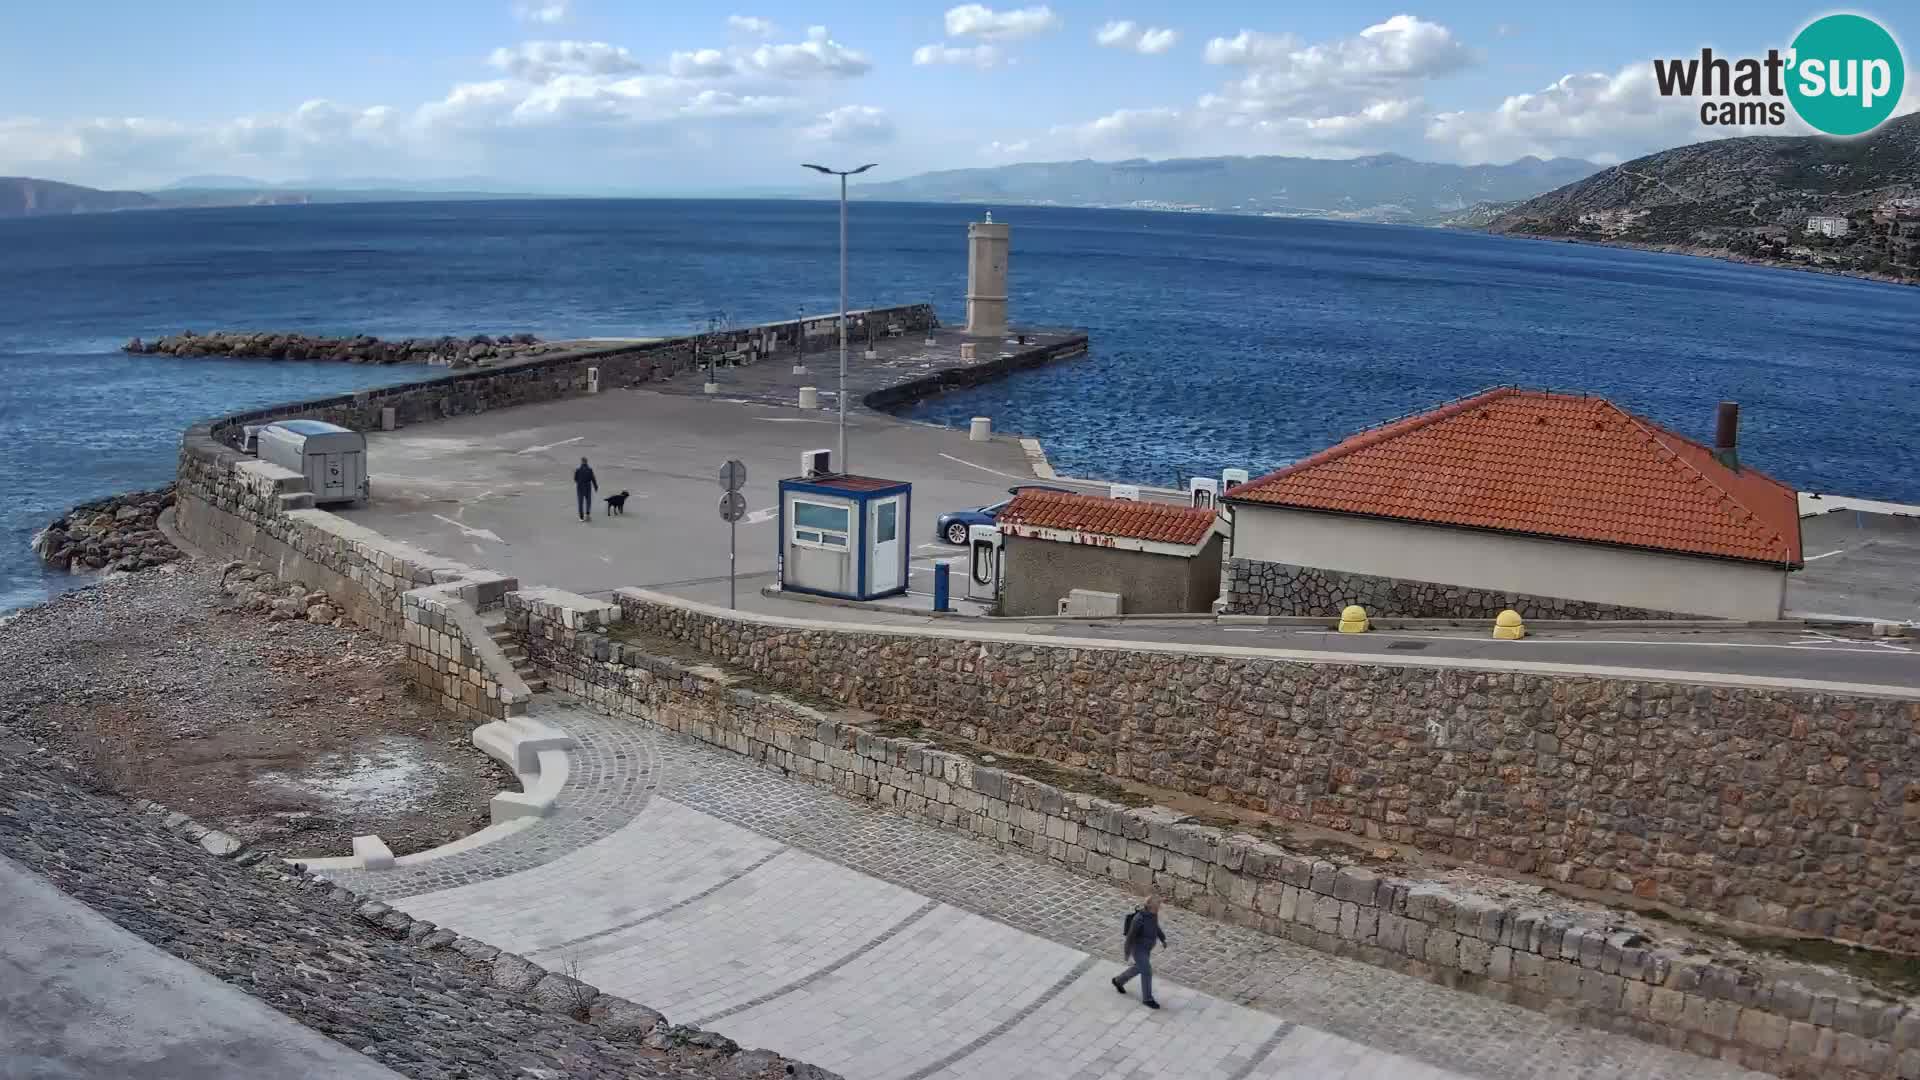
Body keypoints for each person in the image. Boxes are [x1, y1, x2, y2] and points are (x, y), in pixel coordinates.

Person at [1112, 894, 1167, 1008]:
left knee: (1139, 968)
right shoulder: (1139, 919)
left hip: (1147, 948)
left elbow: (1155, 926)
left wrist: (1162, 938)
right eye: (1158, 904)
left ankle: (1119, 981)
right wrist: (1127, 952)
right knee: (1147, 971)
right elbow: (1130, 937)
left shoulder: (1153, 915)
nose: (1159, 906)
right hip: (1138, 949)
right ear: (1150, 905)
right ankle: (1147, 999)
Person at [573, 457, 598, 521]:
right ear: (587, 462)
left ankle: (581, 517)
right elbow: (593, 479)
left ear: (581, 462)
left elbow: (575, 479)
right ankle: (587, 515)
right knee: (588, 501)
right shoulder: (590, 469)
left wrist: (579, 481)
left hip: (580, 487)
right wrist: (595, 486)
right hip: (587, 487)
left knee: (580, 502)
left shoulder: (578, 469)